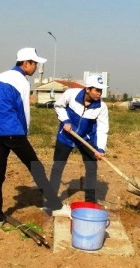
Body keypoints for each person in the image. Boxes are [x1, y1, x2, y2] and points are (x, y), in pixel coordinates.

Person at [0, 48, 64, 228]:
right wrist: (24, 132)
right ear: (26, 63)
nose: (36, 67)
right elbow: (25, 111)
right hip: (13, 131)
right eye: (35, 64)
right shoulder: (21, 82)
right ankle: (54, 205)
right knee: (35, 166)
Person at [49, 75, 109, 204]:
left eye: (101, 90)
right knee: (58, 167)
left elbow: (102, 129)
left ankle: (90, 202)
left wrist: (100, 148)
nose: (99, 93)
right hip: (66, 136)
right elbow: (58, 106)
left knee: (92, 168)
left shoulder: (101, 107)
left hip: (87, 139)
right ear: (88, 89)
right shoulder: (71, 94)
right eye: (97, 90)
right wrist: (65, 120)